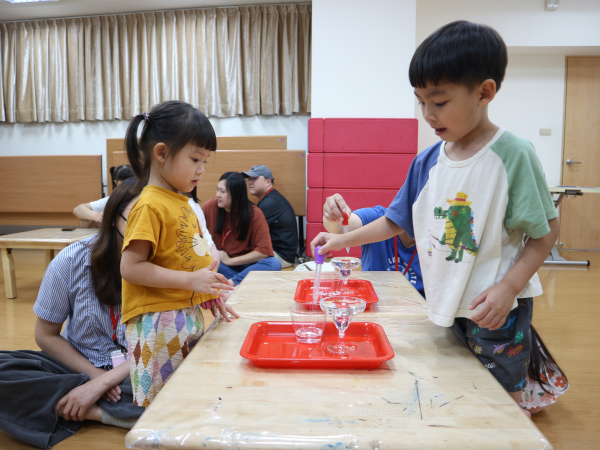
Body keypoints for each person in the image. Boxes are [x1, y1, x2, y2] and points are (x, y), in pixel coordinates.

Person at [311, 21, 568, 415]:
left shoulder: (513, 154)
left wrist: (508, 288)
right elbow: (397, 220)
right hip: (443, 302)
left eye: (440, 101)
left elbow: (545, 232)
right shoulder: (428, 160)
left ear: (484, 93)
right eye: (421, 102)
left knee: (502, 402)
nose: (428, 115)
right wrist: (341, 240)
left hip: (493, 309)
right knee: (455, 392)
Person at [0, 179, 144, 449]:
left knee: (184, 385)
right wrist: (94, 377)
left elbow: (162, 345)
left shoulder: (166, 265)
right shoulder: (71, 260)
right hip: (76, 365)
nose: (146, 231)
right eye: (136, 218)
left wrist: (105, 382)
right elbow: (46, 335)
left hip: (136, 370)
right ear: (114, 217)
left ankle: (84, 409)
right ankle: (107, 410)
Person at [119, 101, 238, 407]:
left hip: (184, 315)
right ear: (161, 153)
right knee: (165, 408)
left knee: (186, 401)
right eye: (195, 158)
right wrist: (191, 282)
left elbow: (183, 259)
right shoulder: (149, 204)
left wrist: (206, 293)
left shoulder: (181, 202)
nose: (201, 169)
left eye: (205, 161)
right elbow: (131, 267)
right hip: (158, 323)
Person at [322, 193, 424, 297]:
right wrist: (333, 216)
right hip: (373, 302)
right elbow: (340, 227)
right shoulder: (377, 218)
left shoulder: (432, 240)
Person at [203, 172, 282, 287]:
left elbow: (263, 252)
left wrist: (230, 261)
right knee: (207, 260)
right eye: (217, 190)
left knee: (274, 263)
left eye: (222, 192)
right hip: (221, 264)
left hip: (245, 264)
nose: (218, 195)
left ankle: (231, 282)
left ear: (236, 194)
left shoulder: (254, 213)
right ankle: (241, 281)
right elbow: (196, 236)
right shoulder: (210, 206)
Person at [243, 165, 298, 268]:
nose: (250, 182)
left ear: (268, 181)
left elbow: (246, 231)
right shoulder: (270, 198)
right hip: (279, 253)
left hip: (280, 257)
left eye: (254, 178)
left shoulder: (271, 202)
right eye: (249, 179)